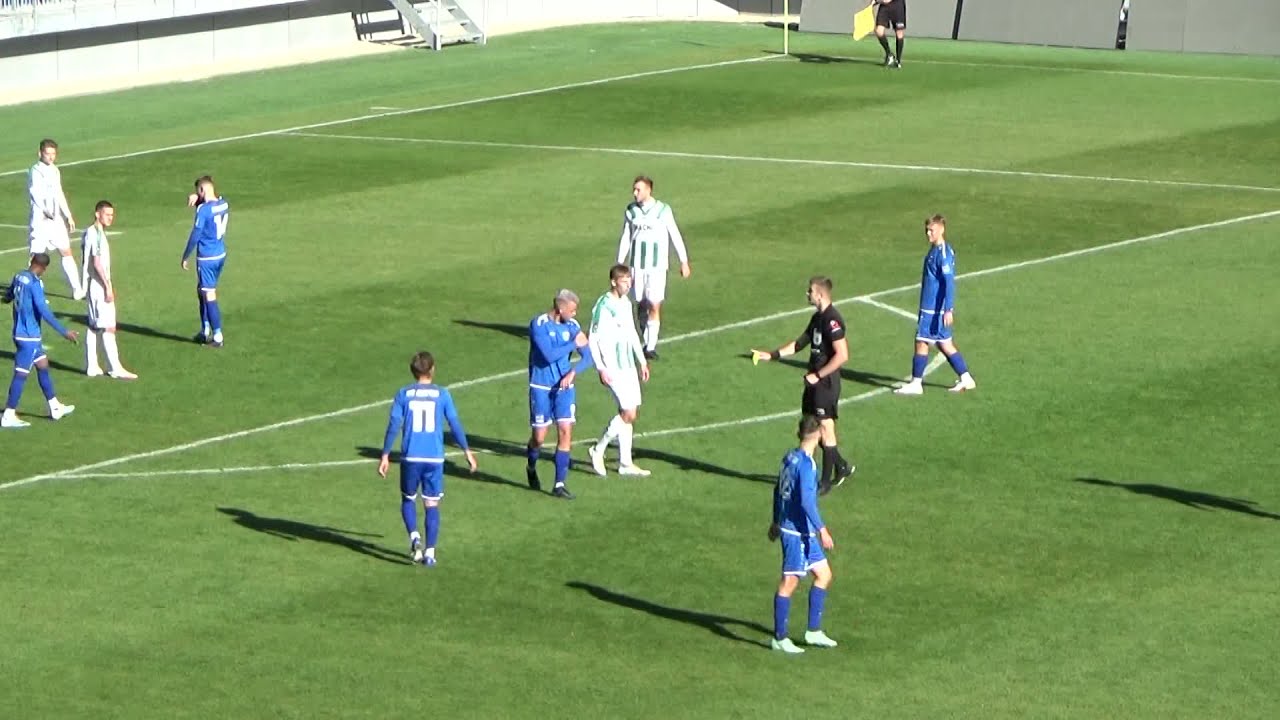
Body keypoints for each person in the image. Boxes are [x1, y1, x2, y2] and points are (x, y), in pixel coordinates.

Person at [750, 276, 854, 495]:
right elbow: (799, 344)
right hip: (813, 382)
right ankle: (841, 466)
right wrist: (771, 355)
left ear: (820, 294)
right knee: (811, 426)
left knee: (825, 428)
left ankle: (825, 482)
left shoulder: (833, 320)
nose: (807, 294)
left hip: (825, 383)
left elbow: (842, 355)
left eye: (810, 291)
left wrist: (818, 375)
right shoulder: (817, 319)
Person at [378, 351, 477, 566]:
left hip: (411, 457)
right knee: (432, 504)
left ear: (413, 371)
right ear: (432, 369)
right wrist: (467, 451)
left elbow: (394, 425)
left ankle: (415, 539)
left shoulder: (403, 394)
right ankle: (430, 553)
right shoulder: (442, 394)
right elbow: (454, 423)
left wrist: (385, 454)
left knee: (408, 498)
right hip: (434, 458)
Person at [768, 414, 837, 654]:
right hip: (797, 532)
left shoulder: (789, 457)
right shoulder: (806, 465)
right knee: (790, 582)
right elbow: (808, 502)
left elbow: (778, 490)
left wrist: (775, 519)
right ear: (817, 435)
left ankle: (813, 631)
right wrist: (823, 530)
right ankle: (779, 637)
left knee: (824, 574)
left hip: (798, 529)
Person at [893, 214, 976, 395]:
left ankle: (916, 383)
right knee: (944, 343)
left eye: (931, 230)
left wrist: (948, 309)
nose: (928, 233)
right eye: (927, 230)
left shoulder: (943, 254)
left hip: (934, 309)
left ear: (941, 229)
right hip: (931, 307)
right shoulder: (935, 250)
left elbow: (949, 282)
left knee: (921, 341)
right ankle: (966, 378)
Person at [526, 289, 595, 499]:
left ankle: (559, 484)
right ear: (560, 308)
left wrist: (573, 372)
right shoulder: (538, 325)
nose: (575, 315)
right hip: (541, 386)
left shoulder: (572, 326)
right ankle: (530, 465)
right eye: (572, 310)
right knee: (539, 437)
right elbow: (548, 355)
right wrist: (574, 343)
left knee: (565, 431)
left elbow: (589, 356)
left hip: (564, 388)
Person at [616, 175, 690, 360]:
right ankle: (645, 339)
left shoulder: (662, 210)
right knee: (640, 303)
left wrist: (684, 261)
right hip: (636, 267)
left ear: (648, 190)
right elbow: (626, 236)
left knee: (654, 304)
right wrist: (620, 262)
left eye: (638, 189)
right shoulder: (631, 211)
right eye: (634, 189)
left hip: (657, 266)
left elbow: (675, 234)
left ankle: (650, 346)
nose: (635, 193)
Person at [587, 264, 651, 477]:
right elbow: (593, 339)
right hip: (612, 366)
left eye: (630, 281)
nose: (628, 285)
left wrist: (641, 361)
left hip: (628, 364)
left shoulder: (625, 303)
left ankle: (625, 463)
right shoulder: (603, 305)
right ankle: (598, 449)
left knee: (630, 413)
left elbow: (632, 332)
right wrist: (601, 368)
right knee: (628, 411)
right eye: (625, 281)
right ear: (614, 282)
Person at [2, 253, 78, 428]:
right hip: (28, 336)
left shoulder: (19, 275)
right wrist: (64, 331)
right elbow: (44, 311)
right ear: (43, 267)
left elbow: (8, 294)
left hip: (23, 333)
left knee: (43, 365)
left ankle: (54, 406)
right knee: (21, 374)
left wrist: (6, 299)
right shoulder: (35, 284)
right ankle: (8, 414)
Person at [80, 200, 137, 380]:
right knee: (109, 327)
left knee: (93, 325)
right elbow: (97, 262)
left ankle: (92, 365)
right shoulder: (95, 234)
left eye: (112, 215)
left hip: (90, 285)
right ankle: (115, 367)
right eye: (107, 214)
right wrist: (107, 286)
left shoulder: (89, 232)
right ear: (98, 214)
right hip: (98, 286)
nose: (110, 218)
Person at [27, 139, 85, 300]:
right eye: (48, 153)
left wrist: (68, 215)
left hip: (56, 220)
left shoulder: (55, 170)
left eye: (53, 154)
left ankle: (77, 289)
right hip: (40, 221)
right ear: (40, 153)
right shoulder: (35, 171)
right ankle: (32, 292)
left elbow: (59, 194)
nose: (51, 157)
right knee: (36, 258)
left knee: (66, 251)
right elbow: (35, 194)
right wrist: (46, 211)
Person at [182, 176, 229, 347]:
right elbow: (212, 208)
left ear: (201, 190)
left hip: (207, 257)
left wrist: (185, 255)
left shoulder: (203, 210)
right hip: (220, 254)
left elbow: (196, 234)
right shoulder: (224, 203)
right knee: (202, 290)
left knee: (209, 293)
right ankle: (205, 330)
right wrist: (197, 201)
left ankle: (217, 336)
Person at [871, 0, 907, 68]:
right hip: (884, 7)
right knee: (879, 31)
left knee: (899, 33)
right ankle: (889, 54)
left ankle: (898, 61)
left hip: (898, 6)